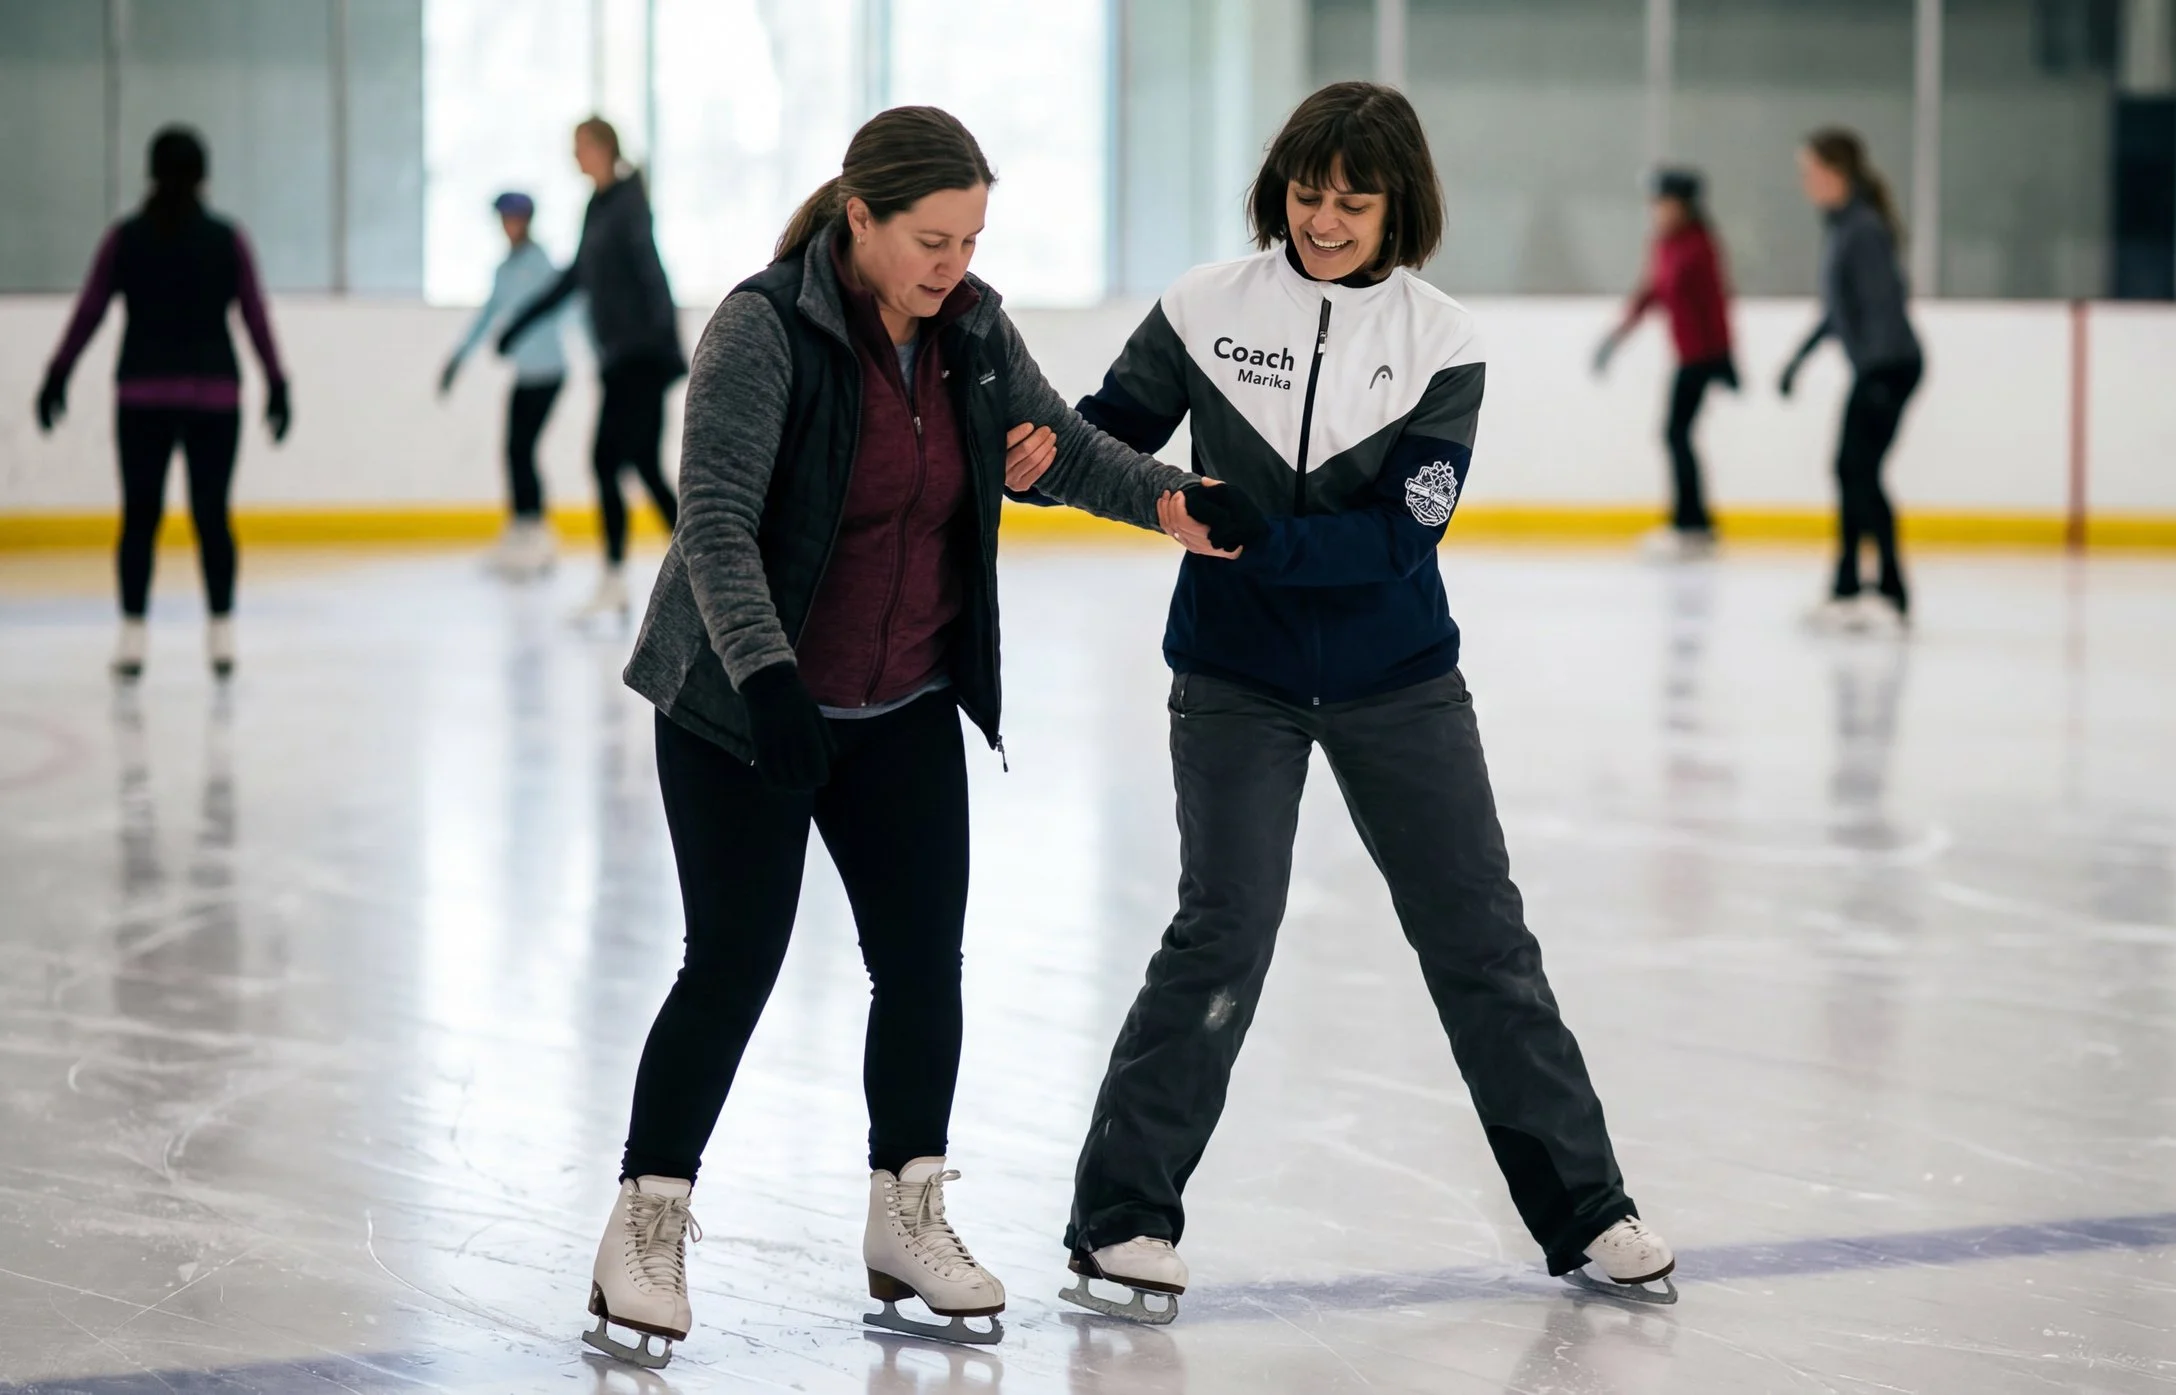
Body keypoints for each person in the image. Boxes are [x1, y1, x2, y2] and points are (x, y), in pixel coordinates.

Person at [1029, 81, 1675, 1325]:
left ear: (1399, 208)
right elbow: (1107, 441)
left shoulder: (1443, 342)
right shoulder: (1204, 307)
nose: (1322, 219)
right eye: (1306, 192)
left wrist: (1244, 536)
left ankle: (1586, 1209)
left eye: (1351, 200)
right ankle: (1120, 1219)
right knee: (1223, 933)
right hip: (1233, 680)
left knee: (1482, 942)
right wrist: (1043, 463)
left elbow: (1396, 544)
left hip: (1398, 681)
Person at [583, 106, 1200, 1368]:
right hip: (739, 706)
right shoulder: (764, 329)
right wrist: (765, 685)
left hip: (904, 699)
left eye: (970, 240)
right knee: (736, 958)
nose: (952, 266)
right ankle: (643, 1222)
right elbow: (712, 523)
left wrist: (1176, 502)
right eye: (930, 239)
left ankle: (905, 1215)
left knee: (922, 963)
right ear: (857, 218)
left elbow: (1061, 451)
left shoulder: (971, 333)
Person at [35, 126, 290, 681]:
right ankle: (221, 637)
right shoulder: (227, 239)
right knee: (212, 516)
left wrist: (58, 373)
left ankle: (132, 639)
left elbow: (91, 310)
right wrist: (277, 381)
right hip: (214, 399)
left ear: (151, 171)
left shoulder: (126, 238)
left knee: (140, 518)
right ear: (205, 175)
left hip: (143, 397)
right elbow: (254, 315)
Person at [496, 116, 684, 619]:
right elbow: (576, 276)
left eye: (580, 146)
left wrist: (668, 347)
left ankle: (617, 577)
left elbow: (651, 270)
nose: (574, 156)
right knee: (641, 464)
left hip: (640, 355)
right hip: (620, 356)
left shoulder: (626, 202)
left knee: (606, 461)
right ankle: (701, 569)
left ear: (602, 148)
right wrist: (521, 322)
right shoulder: (598, 205)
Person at [1777, 127, 1923, 631]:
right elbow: (1839, 310)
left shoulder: (1862, 229)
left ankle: (1878, 589)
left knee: (1855, 471)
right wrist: (1801, 358)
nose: (1804, 182)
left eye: (1809, 171)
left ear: (1834, 172)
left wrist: (1877, 375)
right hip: (1879, 366)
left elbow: (1886, 301)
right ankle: (1862, 587)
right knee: (1854, 472)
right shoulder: (1844, 226)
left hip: (1889, 367)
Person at [1595, 167, 1737, 558]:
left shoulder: (1699, 245)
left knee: (1676, 434)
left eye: (1663, 203)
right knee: (1677, 435)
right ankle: (1694, 522)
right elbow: (1650, 292)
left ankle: (1691, 524)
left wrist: (1726, 356)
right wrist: (1616, 337)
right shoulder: (1664, 244)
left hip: (1702, 356)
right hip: (1686, 354)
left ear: (1684, 205)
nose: (1656, 210)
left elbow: (1716, 303)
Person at [440, 191, 567, 577]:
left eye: (512, 218)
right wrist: (458, 358)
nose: (507, 226)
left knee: (523, 449)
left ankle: (538, 532)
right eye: (503, 219)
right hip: (524, 374)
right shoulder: (504, 269)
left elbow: (565, 305)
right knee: (513, 450)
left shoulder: (542, 264)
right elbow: (489, 315)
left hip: (549, 372)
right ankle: (520, 527)